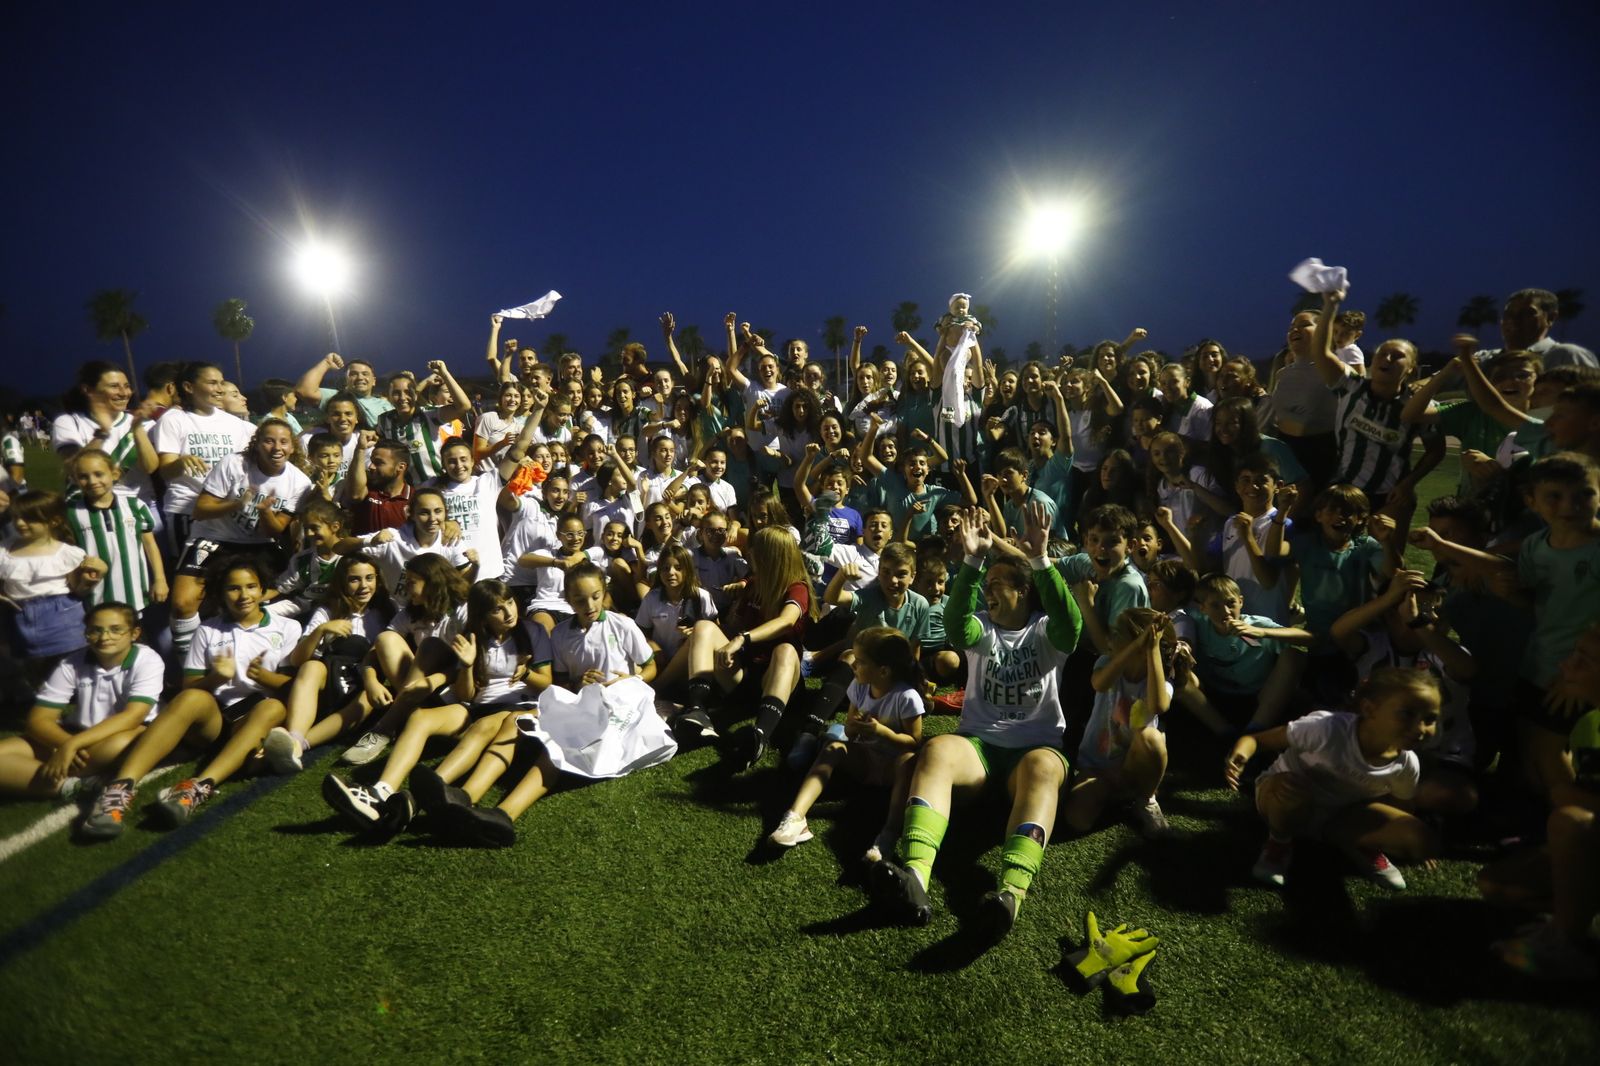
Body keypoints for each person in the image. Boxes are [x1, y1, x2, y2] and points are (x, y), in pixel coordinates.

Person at [871, 503, 1081, 940]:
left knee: (1044, 769)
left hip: (1035, 746)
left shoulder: (1046, 631)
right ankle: (915, 877)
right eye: (987, 584)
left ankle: (1010, 895)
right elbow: (954, 622)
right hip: (980, 748)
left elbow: (1071, 623)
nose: (989, 590)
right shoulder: (980, 628)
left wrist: (1042, 559)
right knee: (938, 749)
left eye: (998, 583)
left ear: (1023, 591)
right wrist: (970, 562)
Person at [415, 561, 657, 847]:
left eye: (595, 596)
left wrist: (631, 677)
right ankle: (464, 799)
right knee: (538, 732)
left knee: (558, 747)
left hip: (622, 706)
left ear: (604, 592)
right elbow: (563, 683)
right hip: (582, 704)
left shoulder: (622, 625)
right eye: (579, 599)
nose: (589, 604)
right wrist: (580, 682)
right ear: (568, 600)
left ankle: (504, 813)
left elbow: (651, 668)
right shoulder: (562, 634)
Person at [79, 558, 302, 837]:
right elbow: (190, 687)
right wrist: (217, 678)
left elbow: (292, 686)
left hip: (253, 719)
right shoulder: (208, 629)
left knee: (272, 707)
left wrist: (263, 677)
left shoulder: (287, 628)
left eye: (251, 587)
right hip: (215, 720)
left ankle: (197, 788)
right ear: (220, 593)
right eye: (233, 588)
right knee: (190, 699)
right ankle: (119, 790)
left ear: (262, 589)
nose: (243, 595)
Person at [321, 579, 551, 837]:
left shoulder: (533, 631)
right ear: (483, 615)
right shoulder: (471, 638)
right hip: (475, 706)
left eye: (510, 602)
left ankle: (423, 797)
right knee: (420, 718)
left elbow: (546, 683)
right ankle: (380, 791)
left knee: (484, 726)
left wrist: (527, 674)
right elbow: (467, 694)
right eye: (498, 609)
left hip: (516, 705)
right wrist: (466, 665)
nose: (509, 612)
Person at [1225, 667, 1442, 890]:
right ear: (1370, 709)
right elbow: (1258, 740)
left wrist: (1398, 836)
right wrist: (1241, 754)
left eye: (1430, 718)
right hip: (1282, 799)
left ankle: (1354, 842)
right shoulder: (1327, 729)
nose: (1420, 728)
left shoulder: (1407, 763)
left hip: (1338, 817)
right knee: (1291, 787)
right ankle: (1279, 843)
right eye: (1407, 714)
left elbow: (1402, 806)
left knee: (1419, 837)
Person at [769, 626, 924, 853]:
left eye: (860, 661)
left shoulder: (906, 697)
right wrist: (854, 727)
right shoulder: (859, 687)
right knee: (833, 747)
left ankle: (889, 833)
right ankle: (796, 817)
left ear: (883, 671)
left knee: (907, 761)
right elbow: (850, 732)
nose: (853, 665)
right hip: (865, 760)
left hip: (893, 767)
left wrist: (882, 732)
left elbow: (915, 742)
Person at [167, 419, 311, 662]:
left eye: (284, 442)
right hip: (214, 537)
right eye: (269, 441)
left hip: (258, 545)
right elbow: (200, 509)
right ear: (256, 445)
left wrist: (265, 512)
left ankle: (262, 658)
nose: (277, 447)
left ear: (293, 447)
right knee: (182, 603)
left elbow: (274, 531)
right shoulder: (234, 464)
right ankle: (190, 667)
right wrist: (237, 503)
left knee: (278, 597)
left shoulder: (300, 482)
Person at [675, 526, 816, 760]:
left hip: (778, 679)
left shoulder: (796, 588)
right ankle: (698, 708)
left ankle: (760, 735)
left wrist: (742, 638)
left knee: (785, 650)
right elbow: (731, 627)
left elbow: (786, 621)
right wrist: (707, 633)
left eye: (757, 551)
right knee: (704, 628)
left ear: (773, 556)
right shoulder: (753, 585)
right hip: (746, 675)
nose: (751, 554)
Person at [0, 602, 159, 800]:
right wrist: (66, 743)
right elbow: (38, 720)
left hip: (121, 733)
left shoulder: (148, 660)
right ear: (86, 634)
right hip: (72, 735)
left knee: (125, 742)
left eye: (116, 630)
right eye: (95, 630)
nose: (105, 637)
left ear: (134, 634)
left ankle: (57, 778)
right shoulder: (71, 663)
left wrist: (71, 746)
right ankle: (75, 784)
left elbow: (133, 717)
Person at [1063, 608, 1176, 839]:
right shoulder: (1106, 662)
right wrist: (1135, 647)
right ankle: (1121, 798)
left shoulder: (1159, 680)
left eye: (1117, 634)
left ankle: (1145, 800)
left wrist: (1151, 648)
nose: (1109, 639)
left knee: (1151, 737)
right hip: (1096, 767)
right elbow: (1100, 684)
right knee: (1077, 820)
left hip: (1133, 767)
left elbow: (1158, 707)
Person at [1, 490, 107, 685]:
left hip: (61, 613)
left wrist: (91, 579)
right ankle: (40, 698)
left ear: (54, 521)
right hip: (19, 614)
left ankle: (76, 696)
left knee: (69, 662)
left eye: (29, 519)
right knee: (32, 664)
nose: (20, 524)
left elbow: (78, 589)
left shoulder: (67, 553)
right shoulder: (5, 550)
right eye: (17, 518)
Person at [150, 362, 257, 555]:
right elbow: (165, 471)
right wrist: (180, 463)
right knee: (188, 575)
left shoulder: (236, 425)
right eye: (212, 383)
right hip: (186, 510)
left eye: (221, 383)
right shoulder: (174, 419)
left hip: (227, 512)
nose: (219, 389)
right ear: (189, 387)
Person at [61, 449, 167, 618]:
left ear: (114, 474)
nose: (92, 481)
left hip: (134, 592)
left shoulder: (134, 505)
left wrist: (160, 579)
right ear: (74, 480)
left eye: (98, 474)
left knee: (130, 634)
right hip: (95, 595)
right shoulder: (72, 513)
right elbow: (66, 553)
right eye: (83, 476)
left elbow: (150, 544)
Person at [1474, 288, 1596, 370]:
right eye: (1508, 314)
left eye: (1526, 313)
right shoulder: (1485, 358)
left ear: (1551, 318)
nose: (1513, 319)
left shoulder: (1567, 356)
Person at [294, 352, 394, 427]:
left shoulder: (385, 404)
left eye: (365, 374)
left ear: (374, 381)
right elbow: (303, 390)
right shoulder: (339, 398)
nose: (360, 377)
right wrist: (326, 363)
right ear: (346, 380)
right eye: (353, 374)